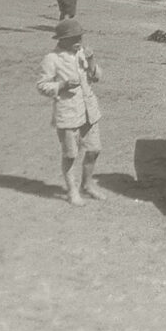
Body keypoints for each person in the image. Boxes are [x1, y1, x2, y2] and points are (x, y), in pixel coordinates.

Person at [36, 18, 105, 206]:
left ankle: (87, 184)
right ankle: (72, 190)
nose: (79, 41)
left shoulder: (82, 53)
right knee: (70, 155)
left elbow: (96, 77)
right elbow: (41, 86)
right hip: (67, 112)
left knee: (94, 149)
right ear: (62, 39)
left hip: (89, 110)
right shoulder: (52, 58)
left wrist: (91, 60)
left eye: (80, 37)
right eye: (74, 38)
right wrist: (62, 85)